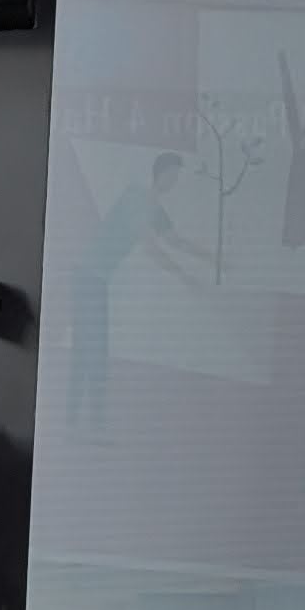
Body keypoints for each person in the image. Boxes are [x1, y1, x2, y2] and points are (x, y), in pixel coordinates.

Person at [71, 151, 206, 423]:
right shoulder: (137, 199)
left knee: (94, 352)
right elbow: (152, 248)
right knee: (91, 352)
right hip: (89, 280)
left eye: (178, 176)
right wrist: (185, 276)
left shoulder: (154, 207)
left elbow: (175, 241)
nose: (175, 181)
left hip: (97, 282)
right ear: (162, 173)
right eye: (173, 174)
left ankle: (87, 423)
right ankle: (80, 423)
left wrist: (212, 259)